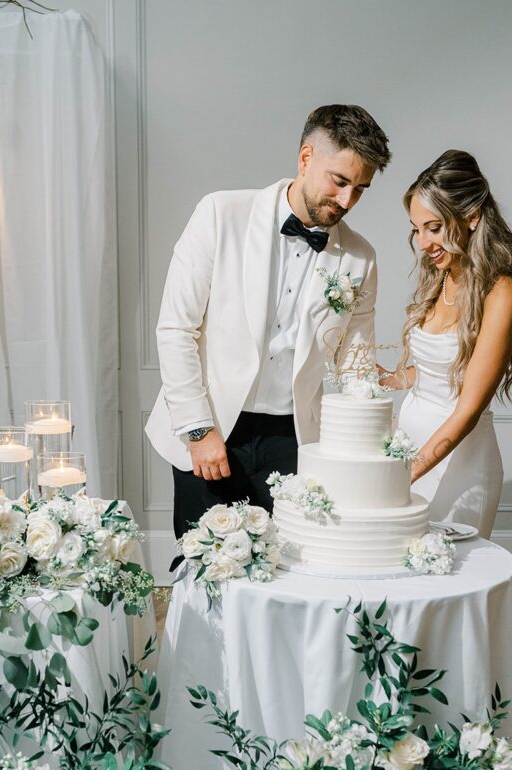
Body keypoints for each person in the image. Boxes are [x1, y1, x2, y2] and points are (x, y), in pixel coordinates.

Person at [145, 105, 391, 546]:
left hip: (294, 440)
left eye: (361, 189)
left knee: (288, 574)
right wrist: (199, 431)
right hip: (212, 425)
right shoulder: (221, 214)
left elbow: (356, 367)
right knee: (207, 575)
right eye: (339, 181)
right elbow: (176, 329)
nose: (347, 201)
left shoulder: (361, 258)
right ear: (305, 157)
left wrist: (361, 455)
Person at [378, 149, 512, 538]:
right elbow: (442, 369)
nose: (423, 243)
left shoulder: (501, 291)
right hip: (410, 445)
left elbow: (466, 409)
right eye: (417, 229)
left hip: (457, 464)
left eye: (433, 227)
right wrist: (392, 378)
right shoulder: (441, 276)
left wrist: (405, 474)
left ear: (472, 217)